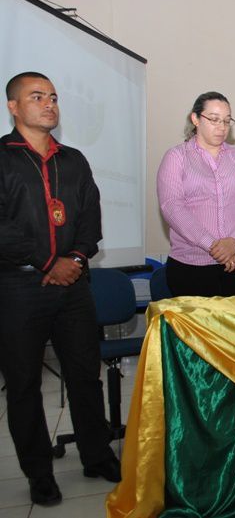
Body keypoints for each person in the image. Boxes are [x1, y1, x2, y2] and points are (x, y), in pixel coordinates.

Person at [0, 71, 120, 506]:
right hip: (18, 286)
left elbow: (91, 218)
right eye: (37, 96)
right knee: (24, 383)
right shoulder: (3, 157)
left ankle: (96, 455)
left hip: (73, 285)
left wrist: (76, 259)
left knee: (84, 376)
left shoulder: (74, 160)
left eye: (53, 97)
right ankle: (39, 473)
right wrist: (50, 262)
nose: (49, 103)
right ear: (14, 107)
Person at [157, 92, 235, 296]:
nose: (222, 127)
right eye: (214, 119)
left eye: (226, 121)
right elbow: (173, 207)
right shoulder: (177, 157)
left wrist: (234, 242)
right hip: (192, 268)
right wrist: (214, 247)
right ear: (195, 119)